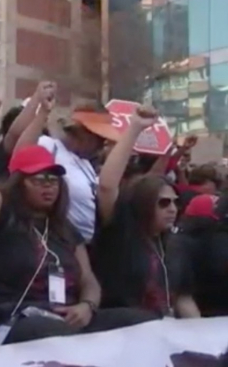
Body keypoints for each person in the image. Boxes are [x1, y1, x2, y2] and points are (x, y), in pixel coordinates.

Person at [0, 91, 155, 344]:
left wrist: (87, 306)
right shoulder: (1, 217)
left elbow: (90, 282)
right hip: (16, 321)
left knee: (143, 323)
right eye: (39, 179)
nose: (49, 186)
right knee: (59, 336)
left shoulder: (66, 231)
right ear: (20, 183)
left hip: (67, 322)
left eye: (54, 179)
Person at [92, 105, 190, 318]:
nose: (172, 209)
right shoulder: (122, 232)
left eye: (175, 203)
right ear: (144, 204)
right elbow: (107, 186)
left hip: (167, 331)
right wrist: (135, 128)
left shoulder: (174, 245)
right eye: (163, 203)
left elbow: (182, 297)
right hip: (124, 331)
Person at [13, 88, 121, 243]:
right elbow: (20, 156)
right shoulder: (49, 147)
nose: (101, 145)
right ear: (82, 133)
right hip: (55, 240)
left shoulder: (86, 164)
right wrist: (43, 113)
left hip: (89, 245)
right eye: (98, 138)